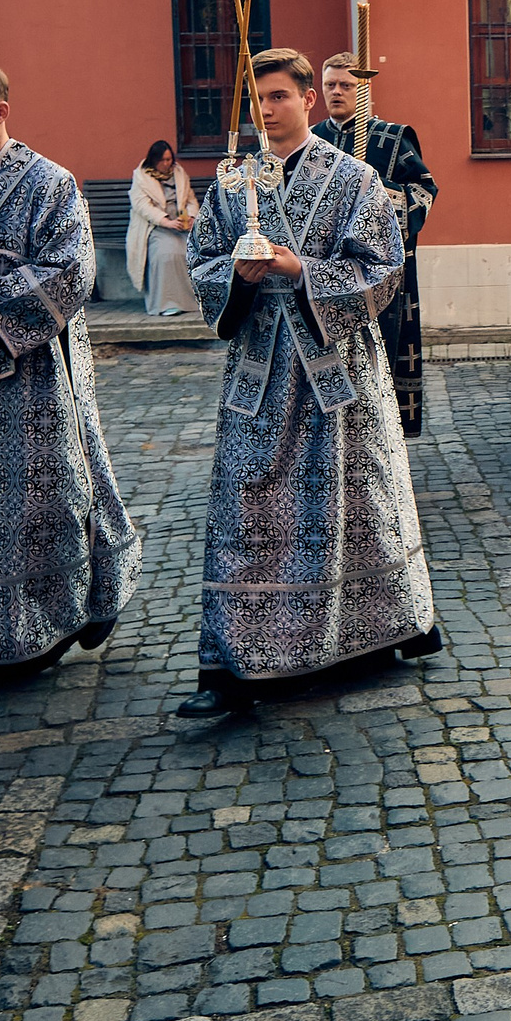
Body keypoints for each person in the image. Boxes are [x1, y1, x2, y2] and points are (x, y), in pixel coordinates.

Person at [181, 46, 438, 719]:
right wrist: (233, 276)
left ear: (309, 101)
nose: (268, 110)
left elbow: (384, 267)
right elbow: (202, 256)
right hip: (260, 373)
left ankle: (375, 631)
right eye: (258, 99)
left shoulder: (355, 178)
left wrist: (300, 271)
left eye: (280, 97)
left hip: (335, 373)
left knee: (351, 505)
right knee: (248, 507)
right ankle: (236, 657)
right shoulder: (233, 181)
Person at [0, 61, 139, 679]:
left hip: (37, 371)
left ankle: (60, 615)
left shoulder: (50, 182)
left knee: (51, 496)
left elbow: (71, 274)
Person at [314, 57, 438, 435]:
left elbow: (423, 193)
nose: (336, 92)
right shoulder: (312, 138)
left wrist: (381, 197)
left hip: (381, 274)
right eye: (330, 84)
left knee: (380, 357)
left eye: (346, 85)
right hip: (327, 274)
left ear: (362, 89)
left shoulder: (392, 137)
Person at [129, 139, 200, 316]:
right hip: (154, 226)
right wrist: (166, 221)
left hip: (181, 225)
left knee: (190, 251)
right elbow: (142, 207)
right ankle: (166, 303)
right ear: (154, 160)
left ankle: (191, 301)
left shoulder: (179, 173)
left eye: (169, 159)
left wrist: (191, 217)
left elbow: (190, 199)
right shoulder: (141, 176)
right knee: (166, 254)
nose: (167, 164)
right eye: (163, 160)